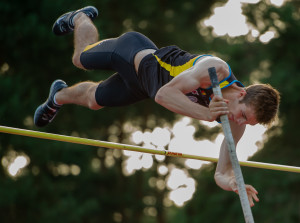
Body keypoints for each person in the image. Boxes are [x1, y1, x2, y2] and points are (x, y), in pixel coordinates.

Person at [34, 6, 280, 207]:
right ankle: (80, 17)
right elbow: (165, 94)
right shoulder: (215, 70)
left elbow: (220, 173)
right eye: (243, 115)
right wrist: (206, 114)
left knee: (92, 101)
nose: (240, 122)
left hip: (142, 87)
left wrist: (231, 182)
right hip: (134, 55)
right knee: (80, 59)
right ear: (240, 93)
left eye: (248, 123)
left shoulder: (237, 124)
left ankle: (56, 97)